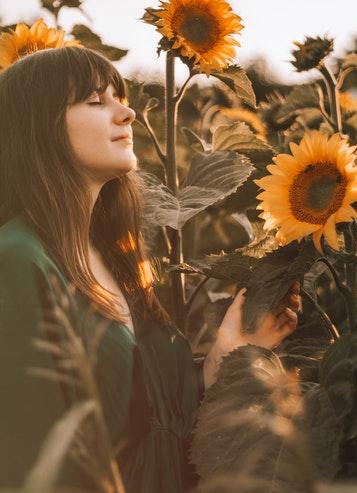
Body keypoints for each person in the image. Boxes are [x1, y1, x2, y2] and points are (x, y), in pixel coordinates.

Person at [0, 46, 300, 492]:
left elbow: (153, 417)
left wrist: (228, 353)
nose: (128, 115)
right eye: (95, 101)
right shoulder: (17, 259)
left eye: (120, 98)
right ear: (37, 127)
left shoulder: (116, 255)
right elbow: (36, 459)